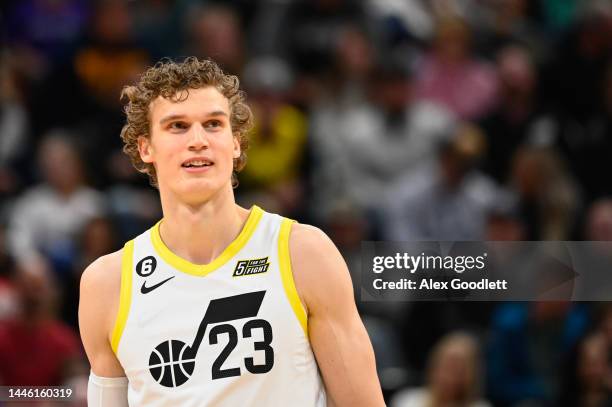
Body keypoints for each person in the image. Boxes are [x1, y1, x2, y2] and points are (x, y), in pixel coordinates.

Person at [78, 57, 384, 406]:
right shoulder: (107, 283)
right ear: (146, 147)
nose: (198, 140)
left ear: (236, 142)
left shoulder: (303, 252)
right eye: (177, 126)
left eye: (213, 124)